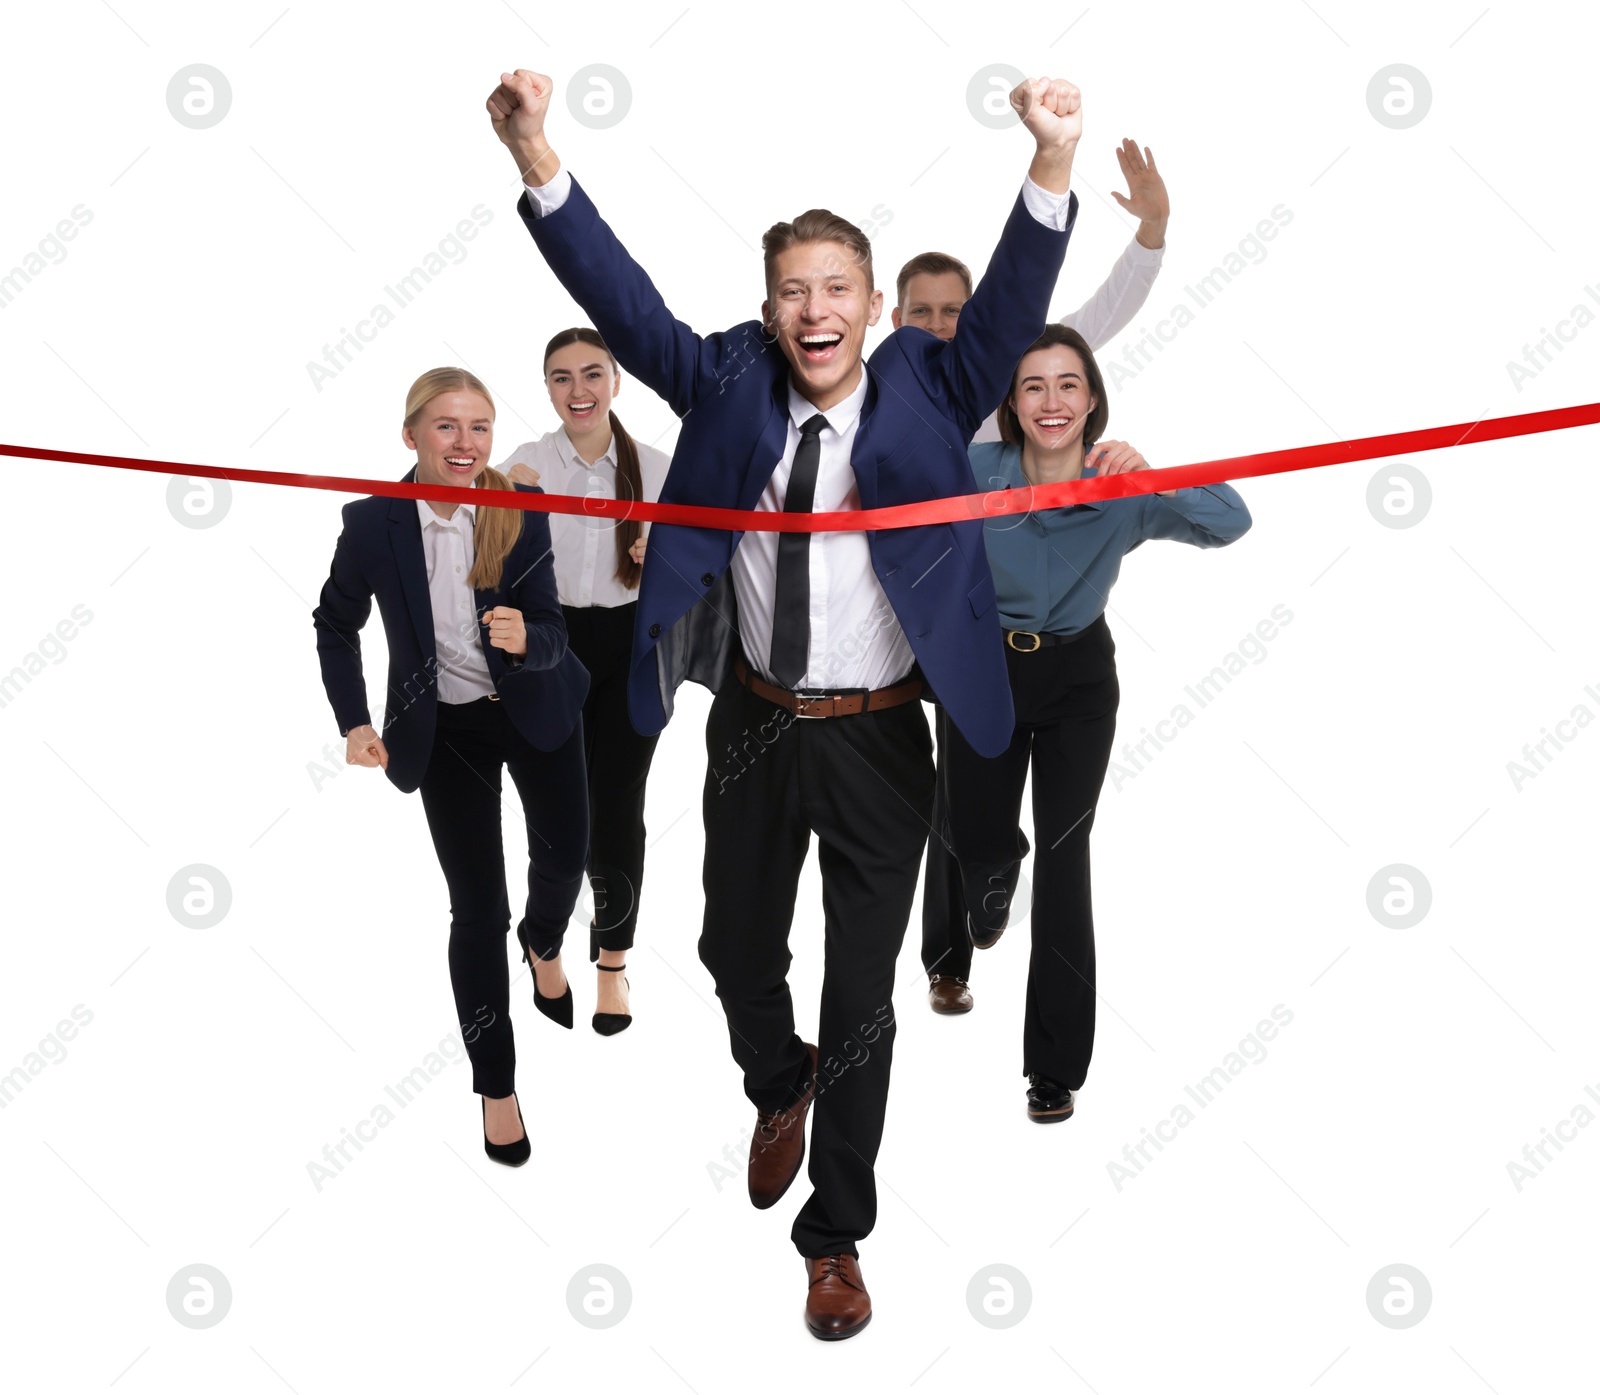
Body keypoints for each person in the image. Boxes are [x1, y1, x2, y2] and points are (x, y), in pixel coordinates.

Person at [486, 65, 1082, 1338]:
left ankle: (835, 1238)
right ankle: (777, 1079)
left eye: (836, 291)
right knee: (730, 955)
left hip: (877, 740)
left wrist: (1049, 160)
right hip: (752, 721)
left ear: (871, 307)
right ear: (768, 310)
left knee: (860, 1006)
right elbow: (619, 300)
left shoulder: (930, 381)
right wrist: (541, 156)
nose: (814, 312)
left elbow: (1019, 299)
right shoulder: (723, 378)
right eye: (792, 292)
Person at [943, 324, 1251, 1121]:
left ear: (1091, 400)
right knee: (974, 832)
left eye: (1068, 385)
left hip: (1079, 679)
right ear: (1011, 402)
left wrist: (1152, 474)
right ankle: (993, 864)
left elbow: (1231, 521)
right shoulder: (973, 472)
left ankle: (1053, 1066)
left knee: (1067, 853)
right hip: (986, 671)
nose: (1052, 401)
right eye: (1035, 386)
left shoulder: (1123, 491)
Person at [900, 139, 1172, 1015]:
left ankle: (1030, 1007)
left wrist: (1154, 229)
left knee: (1036, 829)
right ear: (892, 318)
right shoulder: (876, 395)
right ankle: (948, 955)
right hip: (938, 630)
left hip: (1033, 630)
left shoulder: (1014, 377)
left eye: (954, 312)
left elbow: (1103, 313)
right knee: (956, 800)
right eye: (922, 313)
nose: (940, 328)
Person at [312, 366, 590, 1167]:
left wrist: (525, 639)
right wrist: (355, 719)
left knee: (566, 858)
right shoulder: (372, 525)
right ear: (412, 437)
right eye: (447, 427)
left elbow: (553, 631)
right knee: (477, 910)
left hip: (536, 707)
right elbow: (335, 624)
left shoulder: (518, 510)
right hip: (446, 732)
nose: (466, 444)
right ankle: (496, 1085)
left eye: (479, 428)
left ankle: (545, 941)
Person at [498, 328, 671, 1035]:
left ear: (616, 382)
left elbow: (710, 565)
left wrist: (659, 550)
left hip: (631, 646)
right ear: (546, 388)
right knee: (560, 818)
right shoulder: (527, 465)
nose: (579, 391)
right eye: (562, 377)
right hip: (551, 645)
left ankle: (612, 963)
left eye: (592, 374)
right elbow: (474, 545)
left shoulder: (658, 470)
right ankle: (542, 938)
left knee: (619, 812)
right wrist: (507, 505)